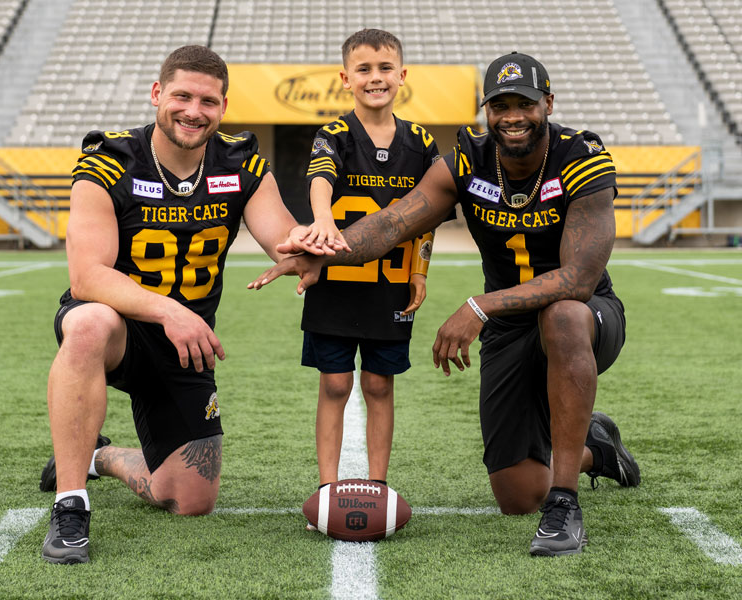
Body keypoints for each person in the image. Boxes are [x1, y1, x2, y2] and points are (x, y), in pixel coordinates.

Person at [250, 51, 641, 556]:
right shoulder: (468, 157)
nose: (513, 117)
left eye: (524, 103)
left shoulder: (580, 153)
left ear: (547, 102)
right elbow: (395, 223)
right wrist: (324, 256)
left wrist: (480, 306)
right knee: (517, 493)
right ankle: (594, 449)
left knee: (562, 315)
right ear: (486, 111)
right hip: (509, 325)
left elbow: (580, 279)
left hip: (586, 318)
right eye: (500, 106)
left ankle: (564, 504)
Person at [39, 45, 338, 564]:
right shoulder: (110, 160)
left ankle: (99, 456)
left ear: (223, 107)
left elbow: (279, 234)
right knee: (87, 322)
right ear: (158, 94)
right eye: (181, 96)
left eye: (208, 101)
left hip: (185, 349)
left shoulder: (240, 161)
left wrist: (305, 249)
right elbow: (87, 277)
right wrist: (169, 310)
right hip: (122, 330)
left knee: (188, 498)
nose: (193, 111)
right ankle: (71, 506)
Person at [299, 29, 439, 505]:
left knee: (380, 383)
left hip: (392, 285)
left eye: (384, 69)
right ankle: (326, 485)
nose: (375, 78)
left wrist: (419, 271)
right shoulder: (333, 134)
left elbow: (429, 213)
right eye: (364, 69)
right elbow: (321, 179)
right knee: (335, 383)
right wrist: (322, 219)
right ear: (345, 78)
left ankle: (378, 484)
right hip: (336, 283)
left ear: (402, 76)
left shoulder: (420, 142)